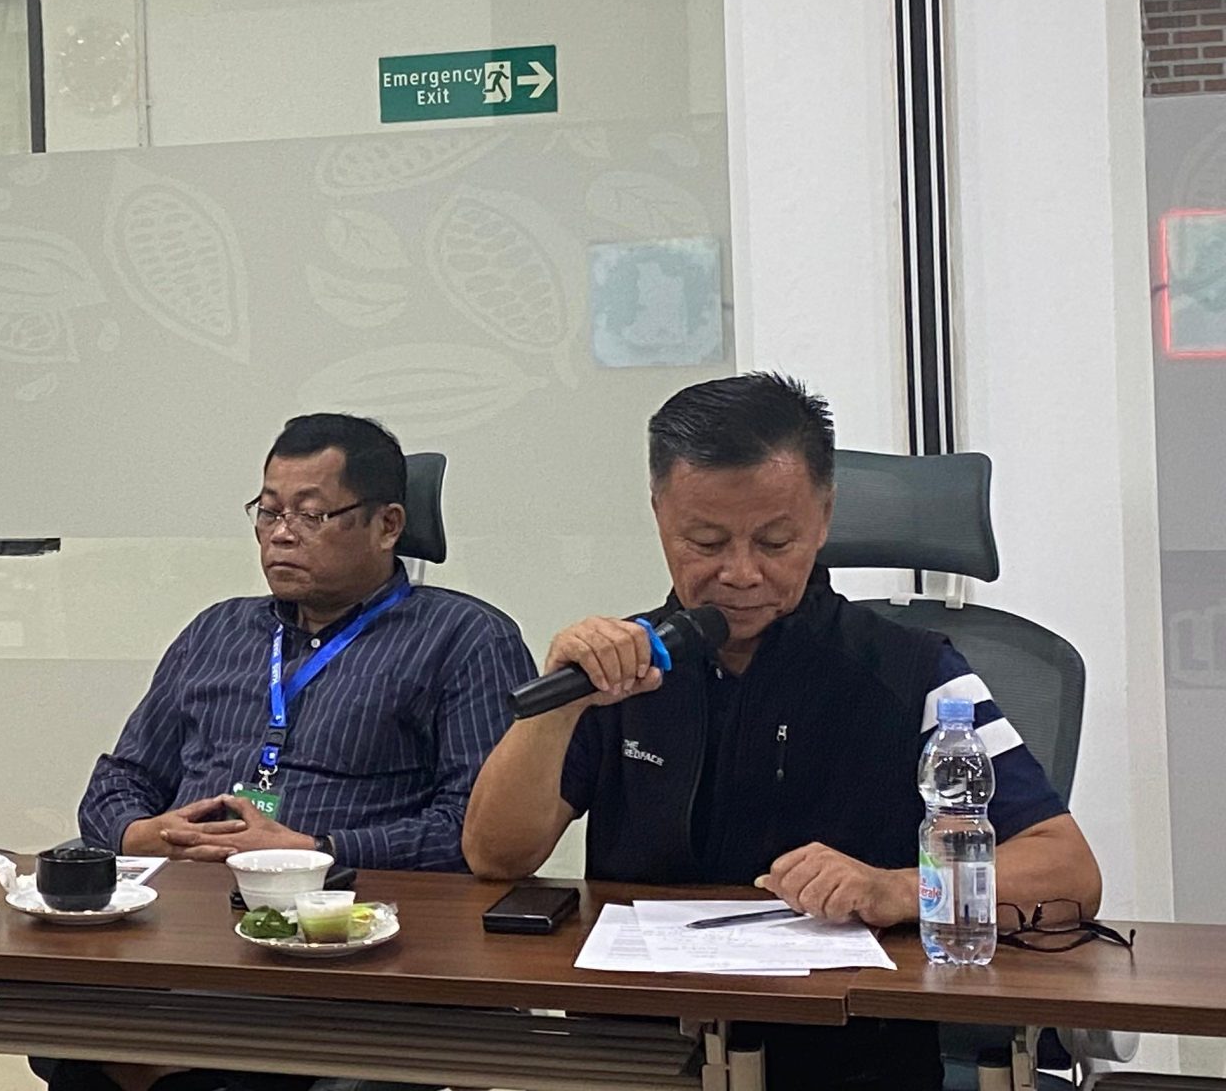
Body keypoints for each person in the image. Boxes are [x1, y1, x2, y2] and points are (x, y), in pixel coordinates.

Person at [462, 373, 1101, 1091]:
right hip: (639, 1056)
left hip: (843, 1058)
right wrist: (560, 704)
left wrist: (895, 889)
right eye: (705, 541)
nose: (741, 574)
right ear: (659, 514)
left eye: (775, 541)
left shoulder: (911, 671)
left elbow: (1068, 873)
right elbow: (494, 856)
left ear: (823, 517)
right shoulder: (624, 668)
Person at [41, 414, 534, 1091]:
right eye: (269, 511)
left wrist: (314, 848)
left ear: (388, 525)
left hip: (346, 951)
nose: (281, 533)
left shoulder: (466, 639)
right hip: (187, 933)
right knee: (57, 1017)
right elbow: (118, 780)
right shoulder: (217, 631)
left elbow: (475, 835)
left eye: (311, 514)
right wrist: (143, 833)